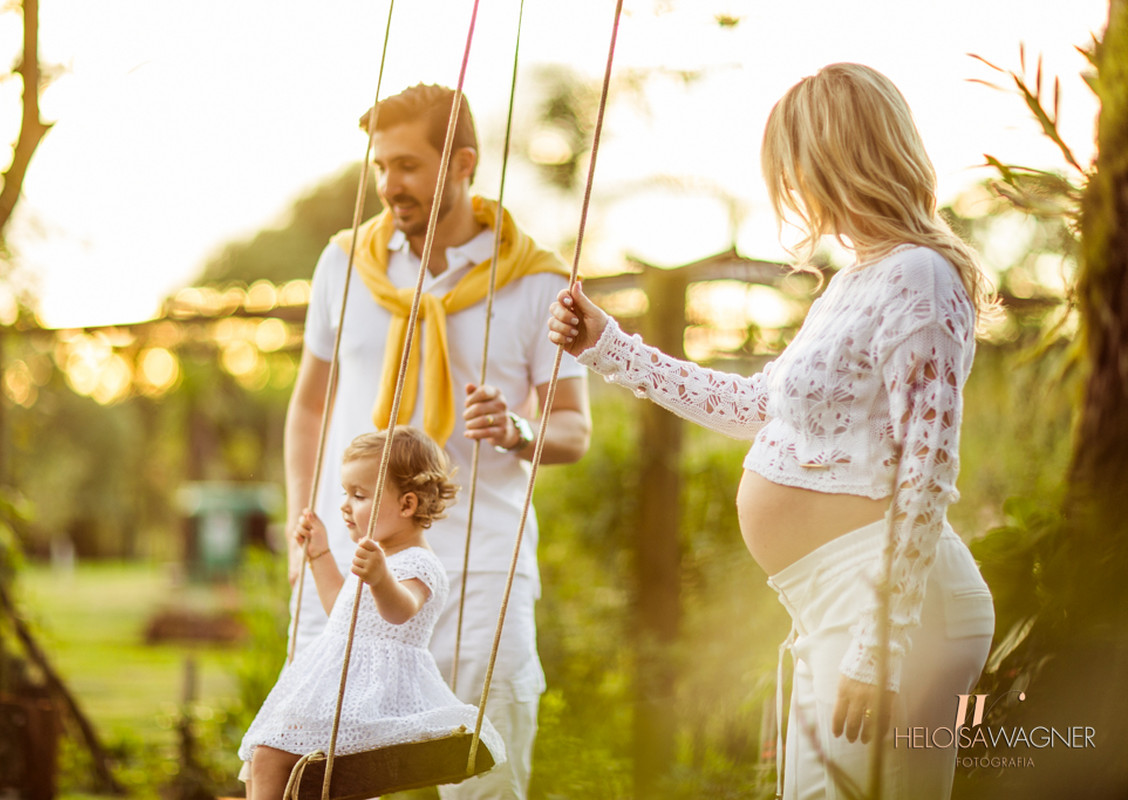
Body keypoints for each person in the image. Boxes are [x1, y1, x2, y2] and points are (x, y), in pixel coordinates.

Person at [547, 63, 997, 799]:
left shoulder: (919, 276)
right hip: (832, 605)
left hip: (888, 616)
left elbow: (928, 466)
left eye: (797, 167)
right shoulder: (855, 279)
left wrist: (880, 647)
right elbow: (757, 405)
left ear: (839, 158)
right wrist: (609, 346)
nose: (792, 190)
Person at [284, 83, 591, 799]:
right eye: (380, 166)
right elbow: (308, 409)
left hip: (481, 569)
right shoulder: (343, 264)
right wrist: (305, 534)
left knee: (484, 776)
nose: (390, 185)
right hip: (351, 565)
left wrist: (516, 431)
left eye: (409, 166)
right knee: (311, 769)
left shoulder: (537, 283)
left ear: (463, 164)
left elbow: (573, 429)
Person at [240, 427, 506, 799]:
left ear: (407, 505)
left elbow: (403, 611)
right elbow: (341, 614)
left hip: (369, 695)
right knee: (259, 760)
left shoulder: (418, 562)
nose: (345, 505)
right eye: (346, 493)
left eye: (359, 495)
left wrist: (381, 579)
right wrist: (319, 553)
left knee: (271, 756)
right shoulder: (377, 555)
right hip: (337, 688)